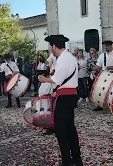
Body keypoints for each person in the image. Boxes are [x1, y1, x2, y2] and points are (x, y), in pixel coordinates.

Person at [39, 35, 83, 166]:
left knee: (61, 131)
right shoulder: (69, 57)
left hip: (64, 98)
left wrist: (43, 79)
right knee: (70, 129)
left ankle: (67, 161)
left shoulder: (63, 58)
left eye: (51, 47)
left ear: (54, 46)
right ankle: (76, 159)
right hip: (69, 96)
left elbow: (57, 80)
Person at [94, 40, 113, 111]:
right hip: (104, 75)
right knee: (101, 90)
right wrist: (93, 69)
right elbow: (98, 65)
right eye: (105, 46)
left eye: (107, 46)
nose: (105, 47)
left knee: (112, 90)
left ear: (111, 46)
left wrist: (110, 67)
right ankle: (100, 105)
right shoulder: (102, 55)